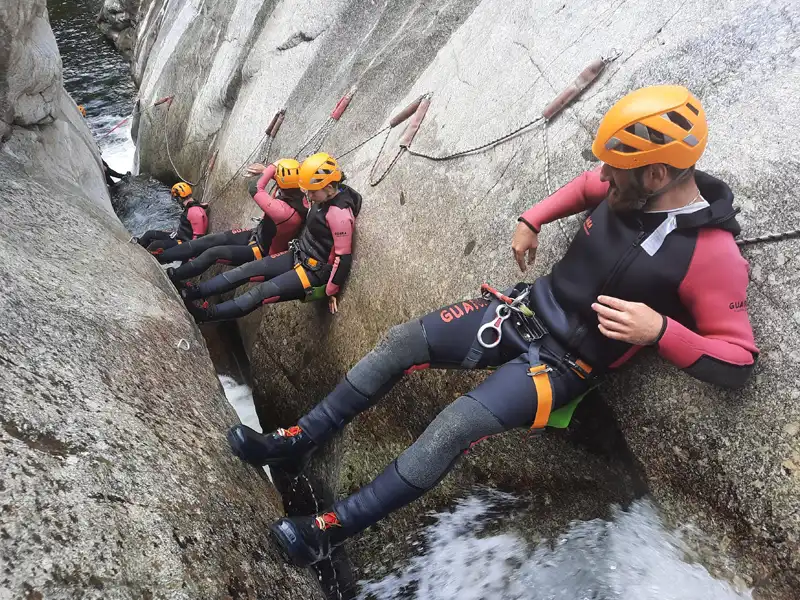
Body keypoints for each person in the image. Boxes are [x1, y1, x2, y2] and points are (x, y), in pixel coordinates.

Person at [226, 85, 759, 567]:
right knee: (399, 343)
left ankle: (329, 530)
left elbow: (738, 361)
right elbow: (581, 188)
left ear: (657, 174)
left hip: (564, 366)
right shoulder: (625, 183)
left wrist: (661, 331)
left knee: (456, 425)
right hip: (522, 311)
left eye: (615, 170)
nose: (603, 177)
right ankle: (298, 439)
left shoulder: (712, 256)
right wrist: (532, 218)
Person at [182, 152, 361, 319]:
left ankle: (204, 315)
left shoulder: (339, 215)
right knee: (246, 270)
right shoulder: (324, 192)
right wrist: (269, 169)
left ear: (329, 187)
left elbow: (343, 257)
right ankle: (194, 292)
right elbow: (295, 172)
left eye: (313, 192)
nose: (310, 196)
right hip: (299, 254)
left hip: (314, 271)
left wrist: (330, 291)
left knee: (262, 292)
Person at [154, 159, 307, 285]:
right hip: (256, 236)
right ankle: (161, 257)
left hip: (262, 251)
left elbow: (255, 188)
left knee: (213, 253)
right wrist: (267, 170)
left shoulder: (284, 211)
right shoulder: (296, 191)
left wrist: (273, 166)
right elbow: (287, 183)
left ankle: (174, 275)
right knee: (211, 240)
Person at [137, 183, 209, 252]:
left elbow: (198, 238)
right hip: (179, 235)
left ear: (179, 198)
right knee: (150, 234)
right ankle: (138, 245)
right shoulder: (192, 205)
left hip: (184, 243)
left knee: (156, 245)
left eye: (176, 198)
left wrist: (191, 257)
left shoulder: (194, 212)